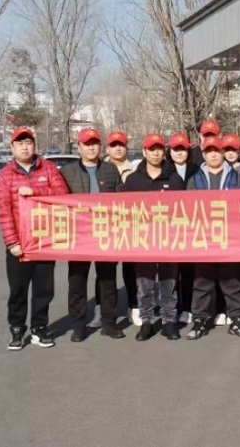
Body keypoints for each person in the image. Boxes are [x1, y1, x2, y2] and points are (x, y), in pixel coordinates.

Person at [0, 127, 68, 350]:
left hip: (44, 241)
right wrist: (12, 242)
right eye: (20, 143)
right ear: (12, 147)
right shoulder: (6, 175)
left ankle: (39, 328)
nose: (25, 147)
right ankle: (17, 330)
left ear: (35, 145)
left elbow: (63, 195)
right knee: (18, 289)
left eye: (28, 143)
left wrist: (35, 190)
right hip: (19, 244)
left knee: (44, 290)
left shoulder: (48, 168)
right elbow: (4, 211)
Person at [60, 128, 125, 342]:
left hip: (106, 234)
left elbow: (122, 200)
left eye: (94, 143)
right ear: (79, 147)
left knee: (107, 281)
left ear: (100, 146)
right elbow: (57, 200)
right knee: (77, 282)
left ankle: (109, 323)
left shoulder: (110, 170)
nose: (91, 147)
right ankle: (79, 325)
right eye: (86, 144)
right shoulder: (67, 172)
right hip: (79, 236)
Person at [185, 137, 240, 340]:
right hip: (204, 237)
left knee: (232, 281)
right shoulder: (195, 178)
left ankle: (237, 319)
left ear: (223, 153)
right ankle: (200, 320)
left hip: (229, 237)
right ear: (204, 154)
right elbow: (188, 208)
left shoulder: (235, 177)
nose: (213, 154)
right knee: (202, 281)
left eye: (217, 150)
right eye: (209, 151)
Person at [123, 134, 186, 341]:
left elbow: (184, 208)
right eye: (151, 149)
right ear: (144, 151)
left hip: (169, 239)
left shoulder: (174, 179)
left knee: (169, 283)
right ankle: (147, 322)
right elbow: (123, 210)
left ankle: (169, 321)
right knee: (145, 285)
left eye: (159, 149)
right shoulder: (133, 180)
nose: (156, 153)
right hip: (143, 240)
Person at [104, 131, 139, 325]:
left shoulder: (136, 170)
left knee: (131, 269)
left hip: (130, 226)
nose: (118, 148)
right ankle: (104, 309)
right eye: (114, 145)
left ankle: (134, 306)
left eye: (121, 145)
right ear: (107, 148)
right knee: (106, 271)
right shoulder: (101, 169)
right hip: (105, 226)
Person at [168, 131, 201, 325]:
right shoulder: (165, 169)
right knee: (172, 272)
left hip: (191, 226)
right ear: (170, 151)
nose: (180, 153)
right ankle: (172, 308)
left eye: (183, 149)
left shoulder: (196, 170)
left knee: (189, 270)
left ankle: (188, 307)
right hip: (170, 227)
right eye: (176, 149)